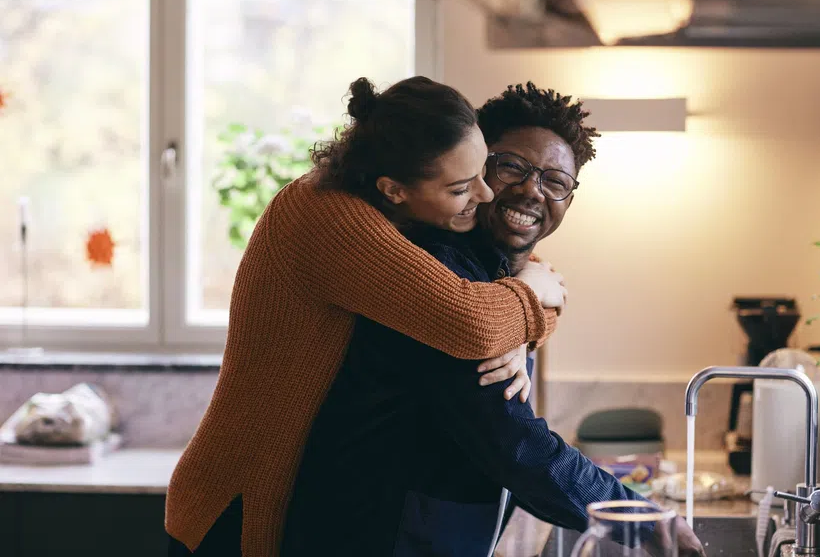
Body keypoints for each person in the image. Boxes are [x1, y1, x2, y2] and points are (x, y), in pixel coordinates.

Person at [280, 83, 705, 556]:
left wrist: (530, 299)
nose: (532, 191)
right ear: (478, 162)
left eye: (556, 181)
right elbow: (512, 441)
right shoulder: (434, 270)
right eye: (511, 167)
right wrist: (640, 516)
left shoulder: (496, 273)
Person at [165, 77, 567, 557]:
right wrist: (529, 302)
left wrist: (525, 319)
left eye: (483, 172)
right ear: (394, 189)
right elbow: (470, 320)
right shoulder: (328, 217)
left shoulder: (398, 210)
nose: (483, 195)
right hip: (236, 501)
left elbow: (478, 300)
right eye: (462, 186)